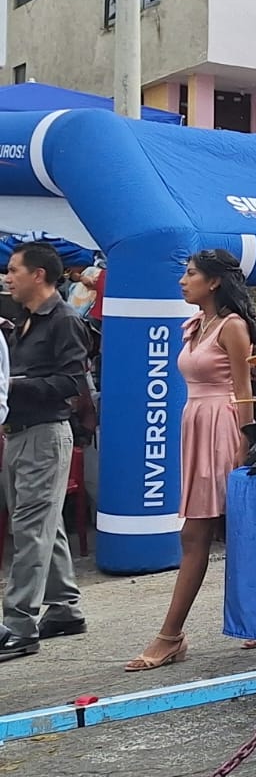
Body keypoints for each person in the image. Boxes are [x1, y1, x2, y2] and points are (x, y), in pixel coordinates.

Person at [126, 250, 256, 672]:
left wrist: (245, 444)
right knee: (229, 531)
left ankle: (170, 635)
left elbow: (244, 391)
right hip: (197, 425)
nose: (183, 281)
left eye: (190, 274)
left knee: (199, 532)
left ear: (214, 281)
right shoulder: (196, 324)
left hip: (222, 427)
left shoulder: (232, 326)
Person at [0, 242, 89, 660]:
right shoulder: (22, 320)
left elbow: (72, 383)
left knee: (30, 528)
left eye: (13, 270)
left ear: (39, 275)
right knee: (42, 523)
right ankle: (65, 608)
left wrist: (13, 386)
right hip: (19, 433)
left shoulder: (64, 320)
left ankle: (19, 625)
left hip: (46, 434)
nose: (7, 277)